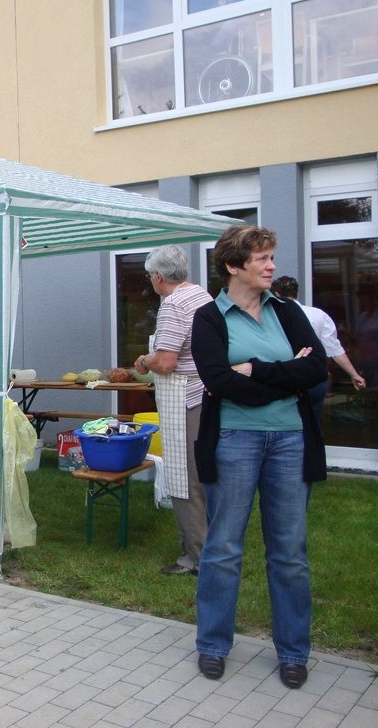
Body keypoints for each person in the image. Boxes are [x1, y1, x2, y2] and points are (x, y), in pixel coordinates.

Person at [191, 225, 327, 690]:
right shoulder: (209, 318)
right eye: (263, 259)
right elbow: (218, 379)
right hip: (233, 441)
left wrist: (257, 371)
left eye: (271, 257)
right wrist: (284, 377)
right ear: (234, 266)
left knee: (289, 552)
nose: (272, 266)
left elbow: (317, 367)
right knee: (223, 547)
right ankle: (212, 644)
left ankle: (293, 653)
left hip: (291, 441)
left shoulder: (287, 312)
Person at [133, 246, 211, 577]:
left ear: (159, 277)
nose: (151, 281)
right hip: (207, 394)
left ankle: (196, 556)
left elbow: (166, 361)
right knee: (205, 478)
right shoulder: (202, 296)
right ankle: (212, 546)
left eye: (150, 275)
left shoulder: (173, 305)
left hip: (186, 399)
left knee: (184, 477)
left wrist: (143, 360)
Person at [271, 275, 366, 419]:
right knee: (313, 426)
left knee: (289, 425)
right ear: (295, 293)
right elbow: (334, 349)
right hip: (316, 378)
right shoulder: (318, 315)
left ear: (276, 294)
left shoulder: (272, 317)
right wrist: (354, 374)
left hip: (288, 377)